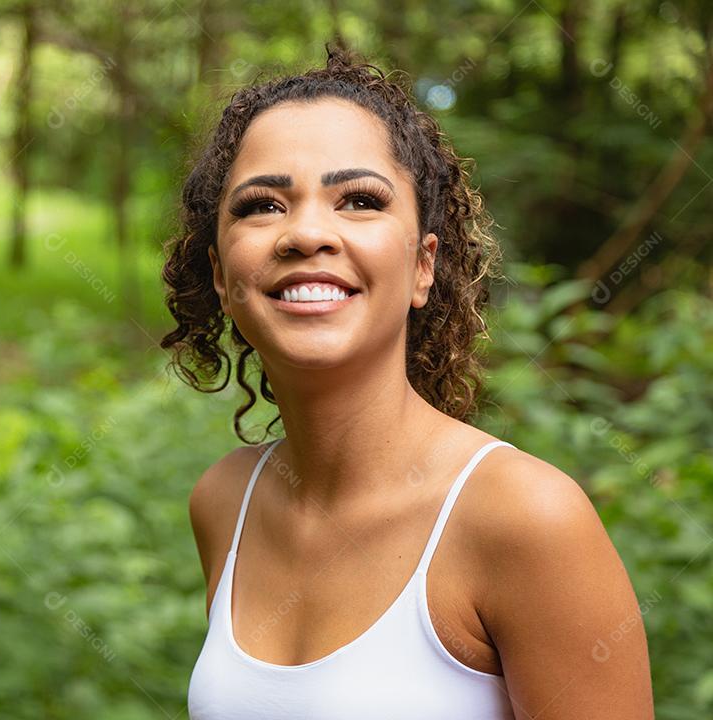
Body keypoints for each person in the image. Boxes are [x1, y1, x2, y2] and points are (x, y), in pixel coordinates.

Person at [160, 47, 654, 719]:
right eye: (262, 205)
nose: (307, 232)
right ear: (221, 273)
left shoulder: (528, 521)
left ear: (424, 266)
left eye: (359, 200)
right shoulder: (224, 502)